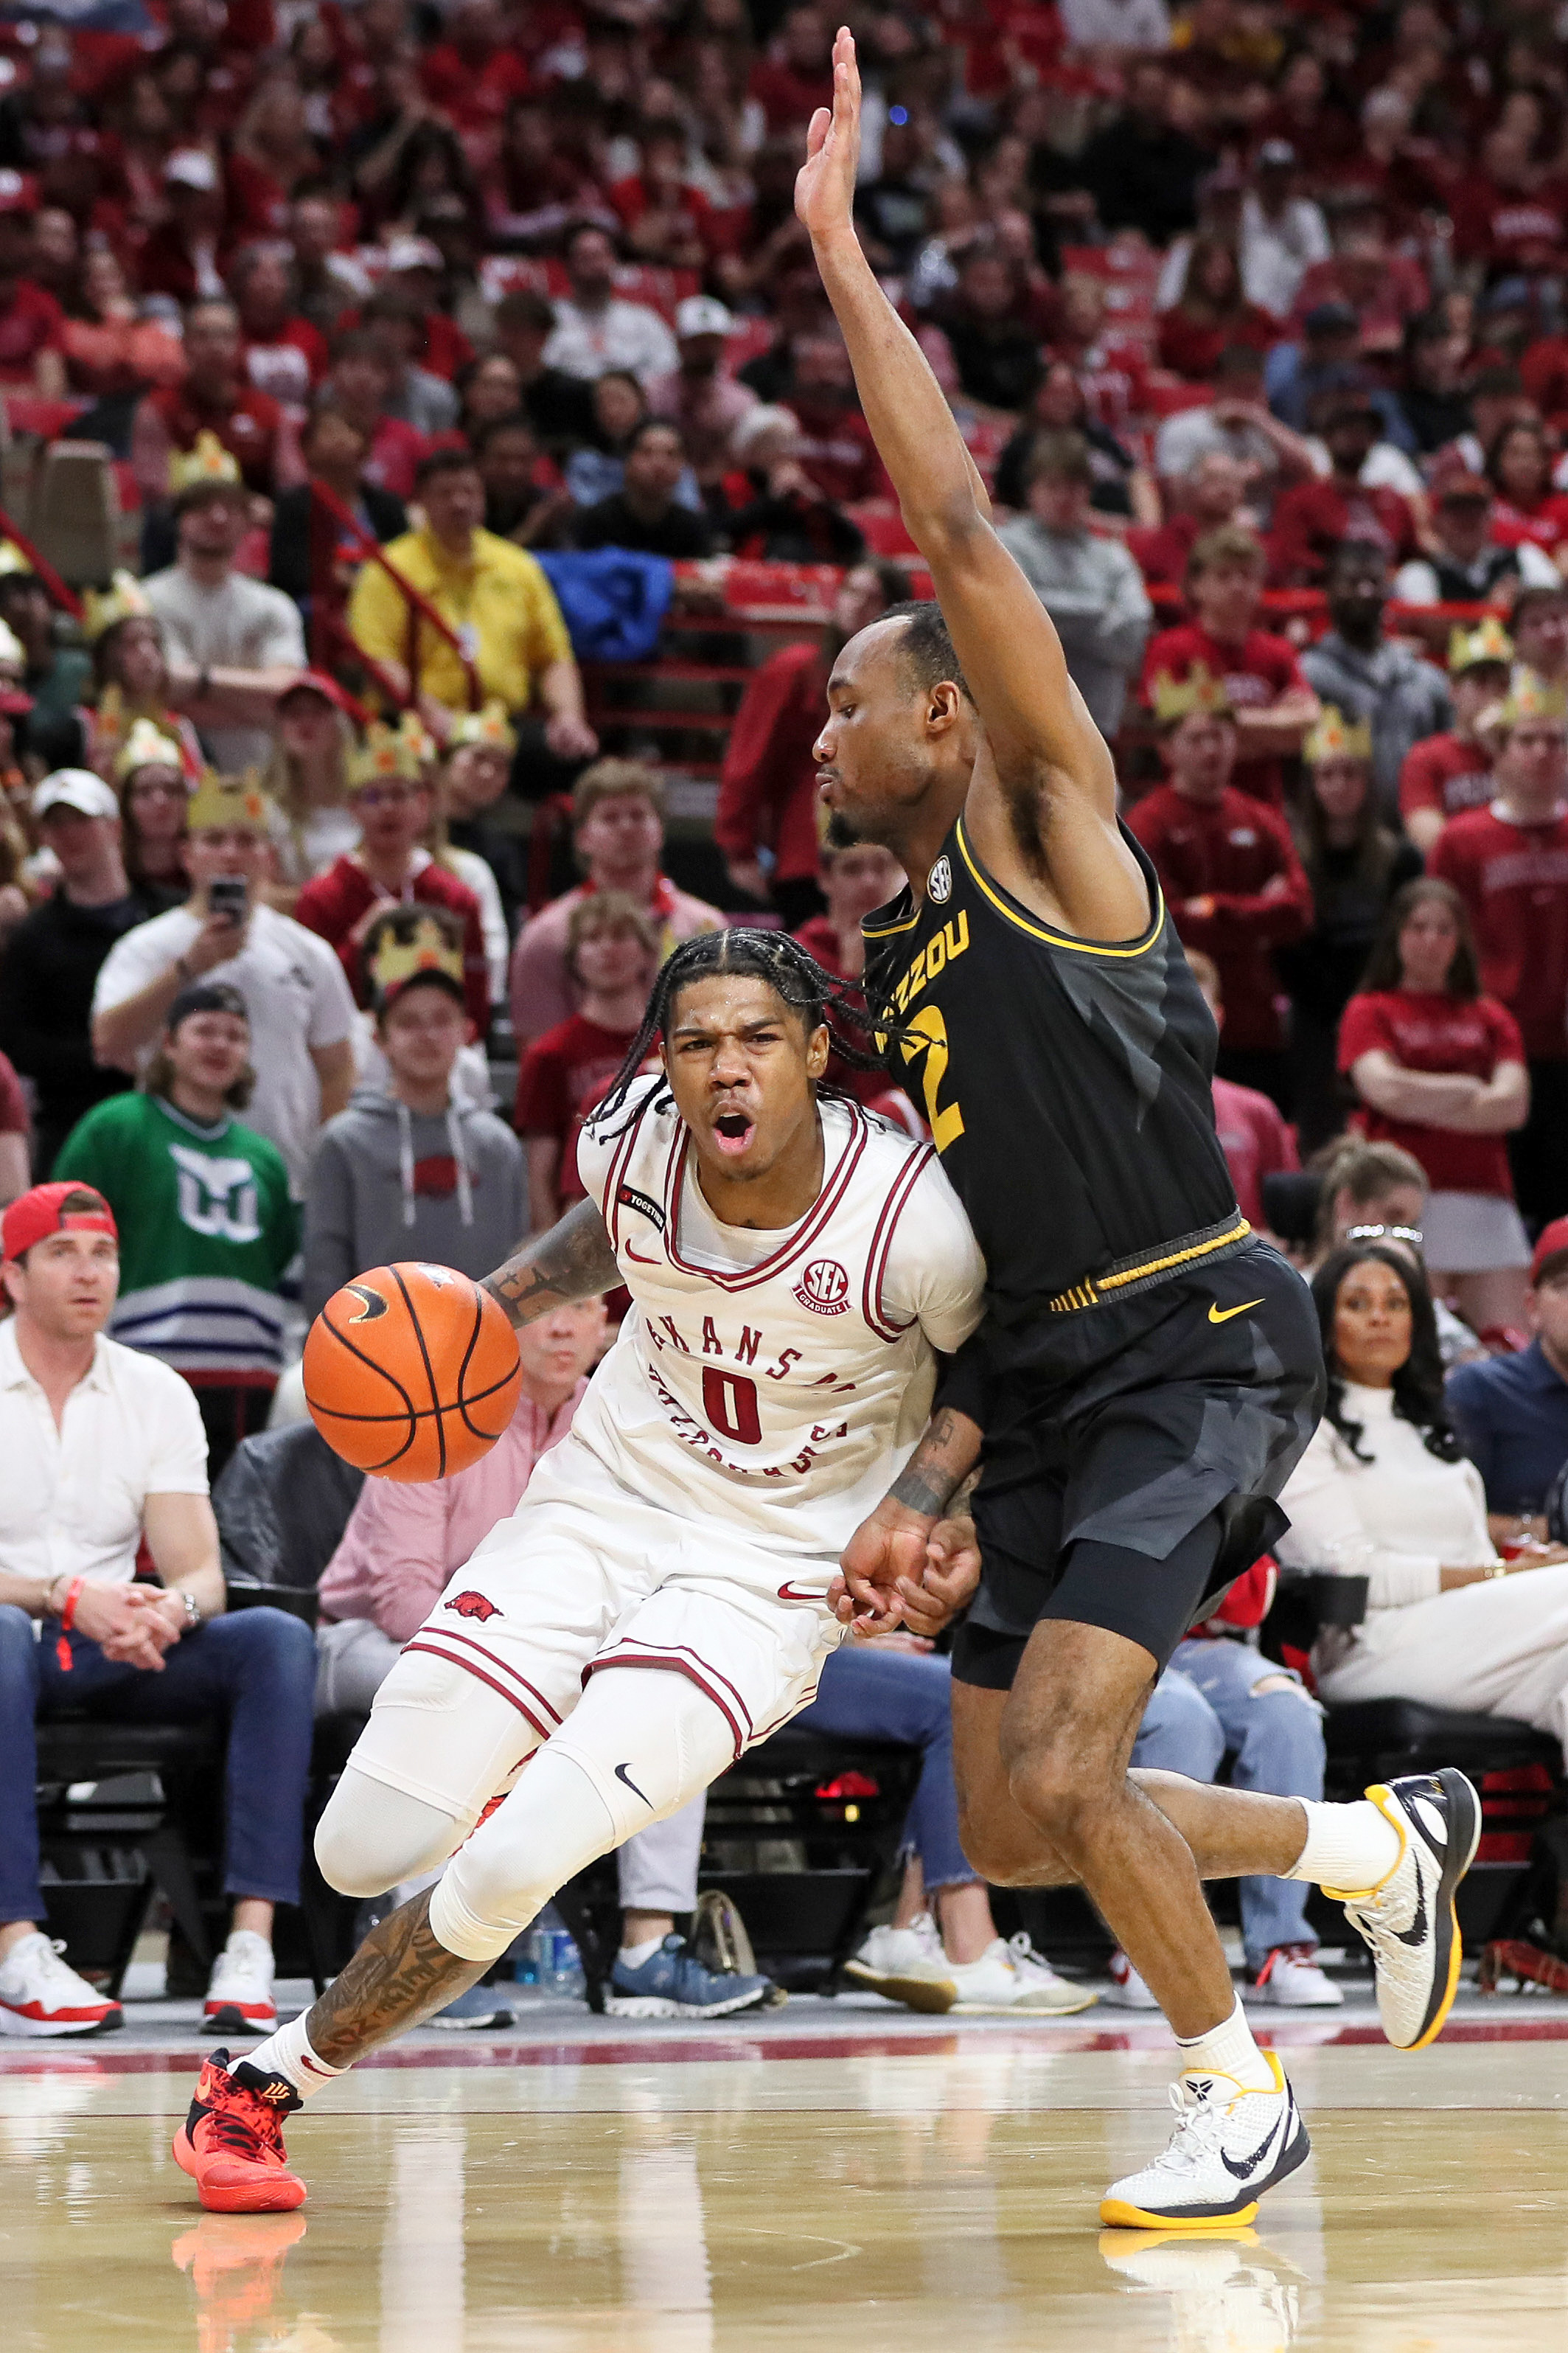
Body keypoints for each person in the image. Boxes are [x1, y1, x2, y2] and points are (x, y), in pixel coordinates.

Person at [798, 34, 1471, 2234]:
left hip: (1197, 1335)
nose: (820, 731)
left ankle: (1233, 2089)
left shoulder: (1040, 816)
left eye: (844, 699)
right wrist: (936, 1468)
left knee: (1088, 1761)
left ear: (941, 712)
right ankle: (1376, 1847)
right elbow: (985, 1245)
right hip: (1051, 1378)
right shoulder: (889, 968)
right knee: (1009, 1826)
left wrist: (836, 247)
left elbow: (958, 520)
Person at [173, 925, 990, 2210]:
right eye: (697, 1043)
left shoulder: (912, 1221)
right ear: (665, 1062)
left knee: (505, 1872)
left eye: (759, 1040)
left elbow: (993, 1371)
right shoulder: (629, 1139)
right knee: (362, 1849)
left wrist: (931, 1507)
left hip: (768, 1572)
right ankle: (526, 1765)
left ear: (817, 1053)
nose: (727, 1070)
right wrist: (476, 1313)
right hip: (603, 1503)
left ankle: (264, 2086)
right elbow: (594, 1237)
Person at [315, 1293, 770, 2024]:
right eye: (546, 1310)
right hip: (367, 1639)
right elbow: (404, 1597)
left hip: (548, 1647)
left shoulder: (628, 1423)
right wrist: (540, 1656)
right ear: (503, 1323)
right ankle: (416, 1955)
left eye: (583, 1308)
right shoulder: (439, 1410)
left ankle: (648, 1950)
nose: (563, 1327)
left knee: (663, 1690)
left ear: (606, 1326)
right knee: (462, 1684)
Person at [0, 1180, 317, 2038]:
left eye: (102, 1252)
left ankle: (249, 1947)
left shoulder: (155, 1389)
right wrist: (65, 1594)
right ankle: (18, 1946)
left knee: (274, 1639)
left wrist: (167, 1612)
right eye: (62, 1253)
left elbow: (201, 1571)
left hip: (118, 1648)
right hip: (15, 1641)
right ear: (14, 1276)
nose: (87, 1271)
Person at [1278, 1242, 1568, 1757]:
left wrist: (1516, 1570)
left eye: (1395, 1304)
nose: (1378, 1319)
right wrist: (1508, 1576)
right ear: (1323, 1321)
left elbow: (1478, 1560)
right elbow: (1352, 1574)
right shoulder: (1305, 1431)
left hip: (1472, 1638)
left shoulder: (1435, 1435)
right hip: (1373, 1647)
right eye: (1356, 1303)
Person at [52, 982, 298, 1472]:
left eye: (234, 1035)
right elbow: (59, 1241)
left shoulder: (265, 1157)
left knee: (233, 1531)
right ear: (169, 1043)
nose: (220, 1045)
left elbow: (281, 1261)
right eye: (204, 1030)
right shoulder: (115, 1128)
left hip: (246, 1378)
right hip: (141, 1366)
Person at [91, 774, 357, 1200]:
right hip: (169, 1180)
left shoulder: (309, 953)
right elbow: (108, 1042)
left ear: (269, 857)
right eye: (214, 840)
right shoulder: (146, 947)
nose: (231, 854)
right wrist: (189, 966)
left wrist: (326, 1168)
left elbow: (337, 1068)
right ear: (187, 855)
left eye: (246, 841)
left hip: (284, 1180)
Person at [300, 908, 524, 1317]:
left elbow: (516, 1262)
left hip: (477, 1351)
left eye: (442, 1020)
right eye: (408, 1022)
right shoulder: (345, 1142)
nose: (428, 1036)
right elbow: (324, 1266)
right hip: (372, 1353)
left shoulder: (497, 1145)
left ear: (466, 1032)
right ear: (379, 1038)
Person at [1340, 880, 1530, 1335]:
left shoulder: (1490, 1015)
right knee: (1405, 1342)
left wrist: (1415, 1099)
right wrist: (1467, 1089)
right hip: (1399, 1203)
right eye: (1418, 927)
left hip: (1484, 1197)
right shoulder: (1370, 1009)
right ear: (1397, 936)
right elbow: (1382, 1088)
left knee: (1512, 1342)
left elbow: (1511, 1106)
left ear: (1460, 940)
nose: (1431, 940)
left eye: (1445, 929)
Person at [1126, 672, 1312, 1108]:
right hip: (1178, 1021)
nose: (1211, 749)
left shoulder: (1262, 818)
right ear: (1167, 749)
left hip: (1256, 1025)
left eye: (1221, 735)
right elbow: (1166, 921)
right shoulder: (1148, 824)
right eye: (1196, 739)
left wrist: (1211, 909)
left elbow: (1299, 910)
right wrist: (1257, 914)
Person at [347, 448, 596, 755]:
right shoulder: (386, 570)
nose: (460, 503)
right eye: (445, 494)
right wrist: (435, 717)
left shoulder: (519, 567)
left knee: (573, 754)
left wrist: (568, 717)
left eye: (469, 491)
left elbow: (554, 658)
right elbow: (379, 661)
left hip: (504, 725)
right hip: (416, 723)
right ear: (421, 501)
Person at [1430, 679, 1568, 1228]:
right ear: (1501, 752)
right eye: (1528, 740)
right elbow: (1435, 940)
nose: (1542, 753)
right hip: (1490, 1049)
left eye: (1554, 741)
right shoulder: (1461, 840)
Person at [716, 561, 902, 926]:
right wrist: (739, 848)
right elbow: (749, 760)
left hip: (890, 858)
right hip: (808, 857)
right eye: (852, 592)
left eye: (873, 597)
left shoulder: (909, 686)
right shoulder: (795, 670)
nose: (858, 604)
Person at [1280, 706, 1424, 1152]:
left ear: (1367, 781)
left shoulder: (1402, 859)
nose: (1339, 786)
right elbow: (1286, 948)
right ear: (1313, 785)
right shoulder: (1292, 859)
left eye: (1350, 773)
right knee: (1320, 1141)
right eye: (1328, 775)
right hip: (1315, 1015)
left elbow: (1407, 942)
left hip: (1381, 1006)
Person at [509, 760, 724, 1047]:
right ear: (583, 837)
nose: (626, 827)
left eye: (638, 816)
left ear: (660, 830)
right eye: (610, 818)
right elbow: (539, 1053)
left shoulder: (707, 928)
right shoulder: (547, 935)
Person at [294, 724, 489, 1033]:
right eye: (373, 796)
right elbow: (309, 996)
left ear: (423, 804)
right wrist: (358, 941)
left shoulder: (455, 898)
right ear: (353, 808)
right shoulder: (321, 897)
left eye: (399, 795)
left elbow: (475, 1008)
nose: (387, 808)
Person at [0, 771, 144, 1175]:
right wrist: (105, 1055)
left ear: (114, 827)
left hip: (157, 1114)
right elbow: (17, 1041)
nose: (70, 835)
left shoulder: (159, 917)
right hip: (69, 1123)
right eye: (56, 824)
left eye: (82, 820)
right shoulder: (34, 937)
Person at [143, 440, 310, 776]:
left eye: (231, 507)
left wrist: (201, 681)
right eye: (203, 506)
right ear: (178, 518)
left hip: (260, 772)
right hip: (173, 769)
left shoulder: (274, 605)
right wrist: (259, 708)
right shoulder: (145, 600)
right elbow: (161, 693)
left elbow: (287, 691)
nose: (218, 517)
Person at [1138, 525, 1318, 808]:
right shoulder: (1171, 648)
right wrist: (1273, 731)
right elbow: (1173, 733)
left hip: (1265, 808)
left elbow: (1307, 727)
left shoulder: (1278, 652)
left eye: (1246, 576)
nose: (1237, 586)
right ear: (1197, 585)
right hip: (1187, 809)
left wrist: (1218, 721)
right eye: (1223, 575)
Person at [993, 431, 1152, 742]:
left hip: (1097, 723)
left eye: (1074, 486)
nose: (1064, 497)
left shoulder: (1112, 555)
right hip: (1022, 717)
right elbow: (1016, 620)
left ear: (1089, 491)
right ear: (1031, 490)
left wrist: (1054, 622)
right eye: (1053, 485)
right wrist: (1102, 615)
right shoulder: (1005, 545)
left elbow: (1133, 633)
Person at [515, 894, 657, 1232]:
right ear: (574, 958)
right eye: (593, 938)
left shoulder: (676, 1046)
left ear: (647, 953)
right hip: (583, 1218)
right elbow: (540, 1168)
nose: (609, 949)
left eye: (621, 936)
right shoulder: (549, 1054)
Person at [1300, 542, 1452, 817]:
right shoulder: (1307, 676)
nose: (1365, 592)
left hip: (1415, 831)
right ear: (1329, 591)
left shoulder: (1424, 677)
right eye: (1352, 582)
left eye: (1374, 582)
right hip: (1339, 838)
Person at [1182, 952, 1297, 1234]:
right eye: (1172, 1009)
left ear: (1218, 1018)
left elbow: (1288, 1214)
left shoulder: (1256, 1110)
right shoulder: (1120, 1111)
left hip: (1247, 1263)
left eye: (1197, 1009)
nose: (1184, 1025)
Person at [1398, 620, 1511, 855]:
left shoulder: (1528, 750)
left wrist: (1498, 751)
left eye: (1502, 684)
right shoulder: (1426, 756)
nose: (1492, 694)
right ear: (1454, 689)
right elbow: (1427, 837)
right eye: (1480, 682)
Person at [1393, 471, 1560, 610]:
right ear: (1439, 521)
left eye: (1476, 511)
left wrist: (1522, 602)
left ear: (1490, 519)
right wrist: (1493, 611)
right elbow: (1427, 629)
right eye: (1457, 511)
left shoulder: (1524, 557)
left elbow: (1554, 611)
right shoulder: (1419, 573)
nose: (1467, 520)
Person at [542, 224, 679, 386]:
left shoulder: (643, 319)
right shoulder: (549, 318)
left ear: (614, 260)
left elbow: (667, 368)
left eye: (601, 256)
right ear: (569, 266)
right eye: (586, 257)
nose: (596, 265)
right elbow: (541, 370)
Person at [569, 418, 714, 559]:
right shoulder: (597, 522)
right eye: (647, 453)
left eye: (671, 454)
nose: (660, 464)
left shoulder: (693, 528)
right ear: (627, 461)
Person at [116, 718, 192, 917]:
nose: (161, 802)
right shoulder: (113, 874)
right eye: (144, 792)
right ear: (126, 804)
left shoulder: (206, 869)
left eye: (172, 790)